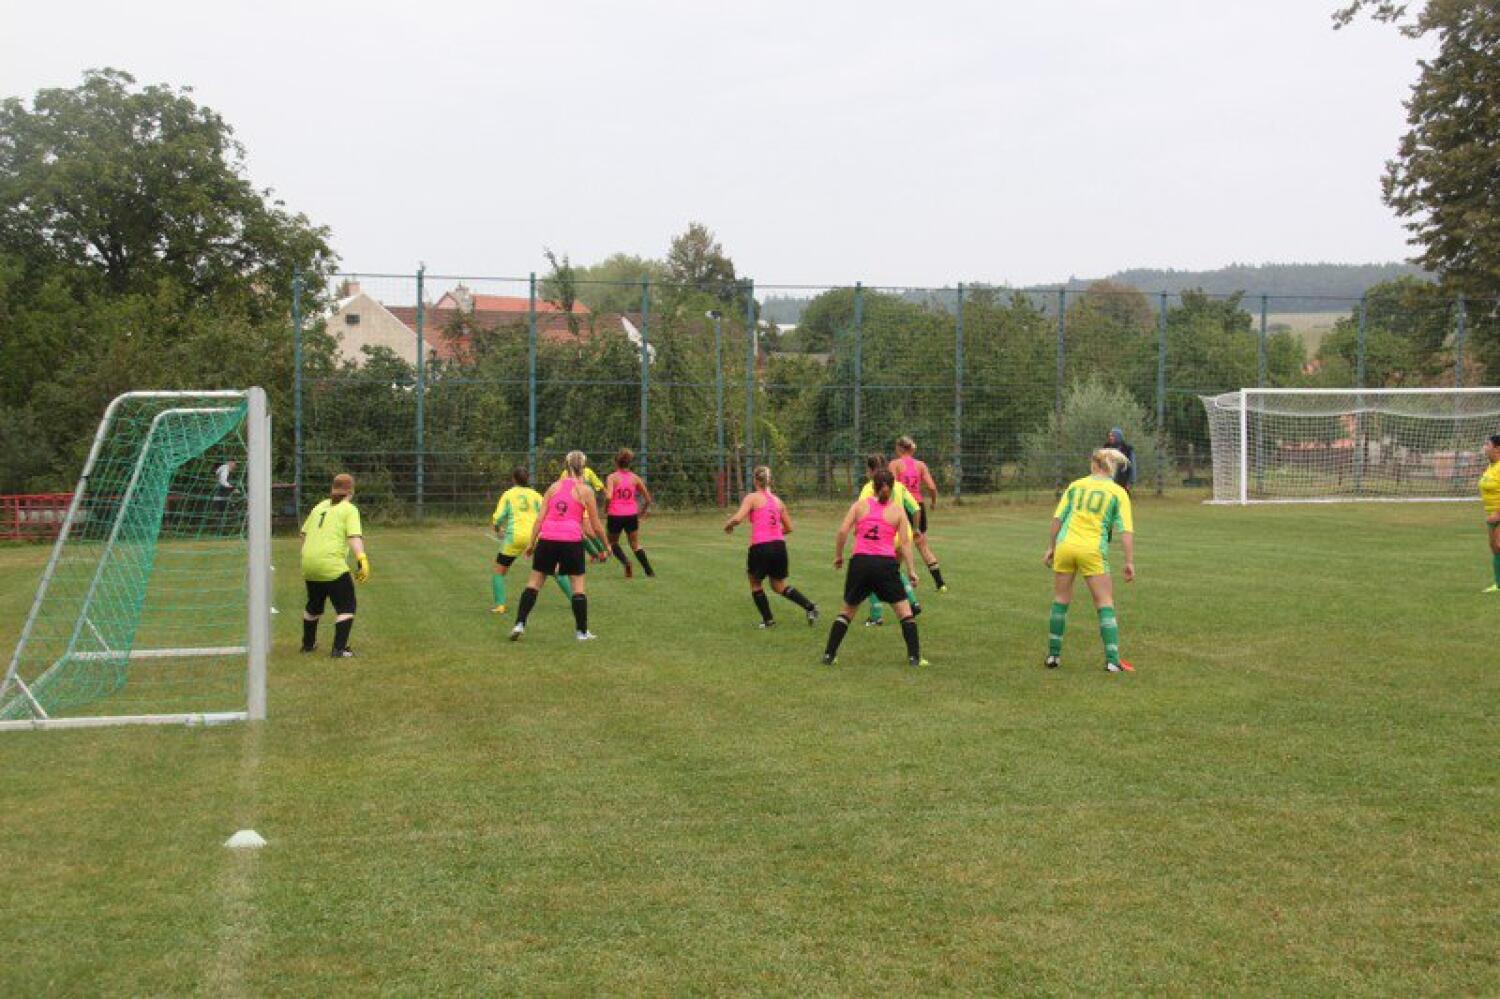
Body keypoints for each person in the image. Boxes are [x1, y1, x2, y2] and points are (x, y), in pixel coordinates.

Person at [821, 470, 927, 668]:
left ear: (873, 486)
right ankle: (914, 658)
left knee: (847, 611)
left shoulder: (859, 506)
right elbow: (905, 543)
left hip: (860, 563)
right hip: (885, 565)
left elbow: (843, 531)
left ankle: (829, 655)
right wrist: (911, 570)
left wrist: (838, 556)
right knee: (904, 612)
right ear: (892, 488)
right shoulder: (897, 511)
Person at [1043, 448, 1136, 673]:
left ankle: (1053, 656)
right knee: (1104, 602)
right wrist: (1129, 561)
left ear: (1094, 465)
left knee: (1061, 599)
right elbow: (1125, 530)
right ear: (1111, 468)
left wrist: (1052, 547)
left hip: (1066, 545)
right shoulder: (1117, 492)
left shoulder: (1076, 486)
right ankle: (1112, 660)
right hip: (1092, 549)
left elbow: (1057, 518)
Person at [511, 451, 607, 642]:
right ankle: (582, 632)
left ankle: (519, 624)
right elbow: (596, 525)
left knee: (534, 584)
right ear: (584, 468)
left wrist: (531, 544)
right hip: (571, 541)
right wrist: (606, 546)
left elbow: (540, 519)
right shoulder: (586, 491)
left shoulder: (553, 487)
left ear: (565, 466)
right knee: (578, 587)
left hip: (547, 539)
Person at [723, 466, 819, 627]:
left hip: (761, 546)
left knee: (755, 583)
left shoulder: (752, 498)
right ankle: (810, 607)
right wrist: (774, 534)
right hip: (779, 546)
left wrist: (728, 525)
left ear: (755, 480)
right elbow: (789, 528)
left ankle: (768, 620)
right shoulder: (778, 501)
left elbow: (738, 518)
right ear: (770, 481)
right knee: (778, 585)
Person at [300, 473, 369, 659]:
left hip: (309, 564)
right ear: (351, 491)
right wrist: (362, 559)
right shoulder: (349, 509)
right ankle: (339, 649)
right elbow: (353, 537)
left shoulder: (319, 506)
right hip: (331, 564)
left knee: (314, 605)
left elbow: (303, 534)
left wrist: (311, 555)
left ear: (333, 489)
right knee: (347, 606)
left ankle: (308, 645)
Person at [490, 466, 575, 614]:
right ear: (527, 479)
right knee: (555, 569)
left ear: (513, 479)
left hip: (515, 537)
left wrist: (497, 529)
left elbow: (498, 517)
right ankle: (575, 600)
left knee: (499, 571)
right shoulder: (536, 495)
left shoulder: (508, 494)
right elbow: (549, 511)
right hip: (536, 536)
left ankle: (500, 605)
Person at [857, 453, 922, 626]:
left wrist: (860, 532)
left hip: (883, 537)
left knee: (871, 575)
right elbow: (916, 509)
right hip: (903, 536)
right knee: (893, 571)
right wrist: (915, 530)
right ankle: (913, 602)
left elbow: (861, 511)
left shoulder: (870, 487)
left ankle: (876, 616)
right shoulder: (898, 486)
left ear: (871, 470)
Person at [889, 436, 947, 592]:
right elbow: (932, 487)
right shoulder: (920, 465)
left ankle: (892, 582)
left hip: (902, 507)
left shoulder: (894, 464)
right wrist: (933, 502)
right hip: (918, 507)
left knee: (899, 546)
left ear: (900, 448)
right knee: (922, 545)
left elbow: (892, 487)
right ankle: (940, 584)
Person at [604, 448, 656, 578]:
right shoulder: (635, 478)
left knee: (612, 542)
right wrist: (642, 513)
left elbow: (609, 497)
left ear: (616, 463)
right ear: (629, 463)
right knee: (635, 544)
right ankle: (649, 571)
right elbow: (648, 499)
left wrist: (606, 508)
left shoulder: (612, 477)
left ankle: (626, 562)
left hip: (615, 515)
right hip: (631, 515)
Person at [1481, 434, 1500, 593]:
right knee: (1495, 547)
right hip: (1492, 515)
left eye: (1487, 444)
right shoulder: (1491, 467)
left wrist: (1498, 513)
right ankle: (1499, 584)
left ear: (1497, 448)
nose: (1485, 447)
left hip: (1498, 514)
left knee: (1499, 545)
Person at [1105, 428, 1137, 495]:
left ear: (1118, 437)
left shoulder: (1127, 449)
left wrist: (1130, 482)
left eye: (1112, 436)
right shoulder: (1105, 448)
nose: (1110, 438)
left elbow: (1132, 466)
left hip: (1122, 481)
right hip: (1107, 481)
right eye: (1109, 436)